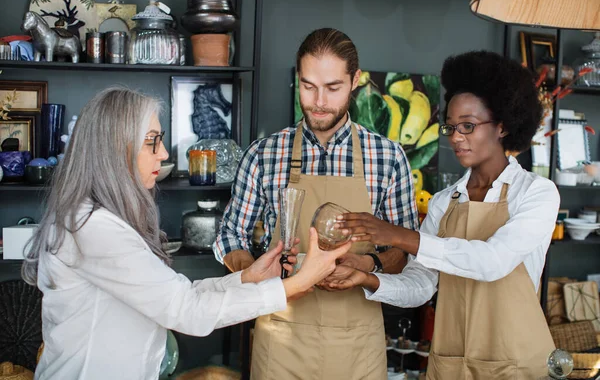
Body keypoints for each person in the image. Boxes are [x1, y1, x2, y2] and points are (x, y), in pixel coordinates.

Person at [21, 86, 350, 380]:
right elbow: (186, 310)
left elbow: (176, 295)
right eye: (152, 142)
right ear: (114, 150)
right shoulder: (92, 228)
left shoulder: (102, 219)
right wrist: (297, 284)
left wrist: (245, 278)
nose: (163, 154)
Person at [327, 50, 559, 379]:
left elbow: (492, 262)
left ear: (503, 126)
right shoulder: (442, 202)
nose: (457, 138)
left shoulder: (537, 192)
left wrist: (396, 235)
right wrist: (367, 278)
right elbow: (421, 284)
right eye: (451, 128)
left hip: (517, 366)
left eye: (468, 126)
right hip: (452, 364)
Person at [213, 28, 422, 379]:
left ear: (355, 80)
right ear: (299, 78)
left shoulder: (387, 158)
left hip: (358, 345)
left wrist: (366, 264)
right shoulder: (265, 154)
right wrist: (257, 276)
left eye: (332, 87)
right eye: (308, 86)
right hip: (282, 339)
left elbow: (405, 251)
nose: (319, 101)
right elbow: (230, 237)